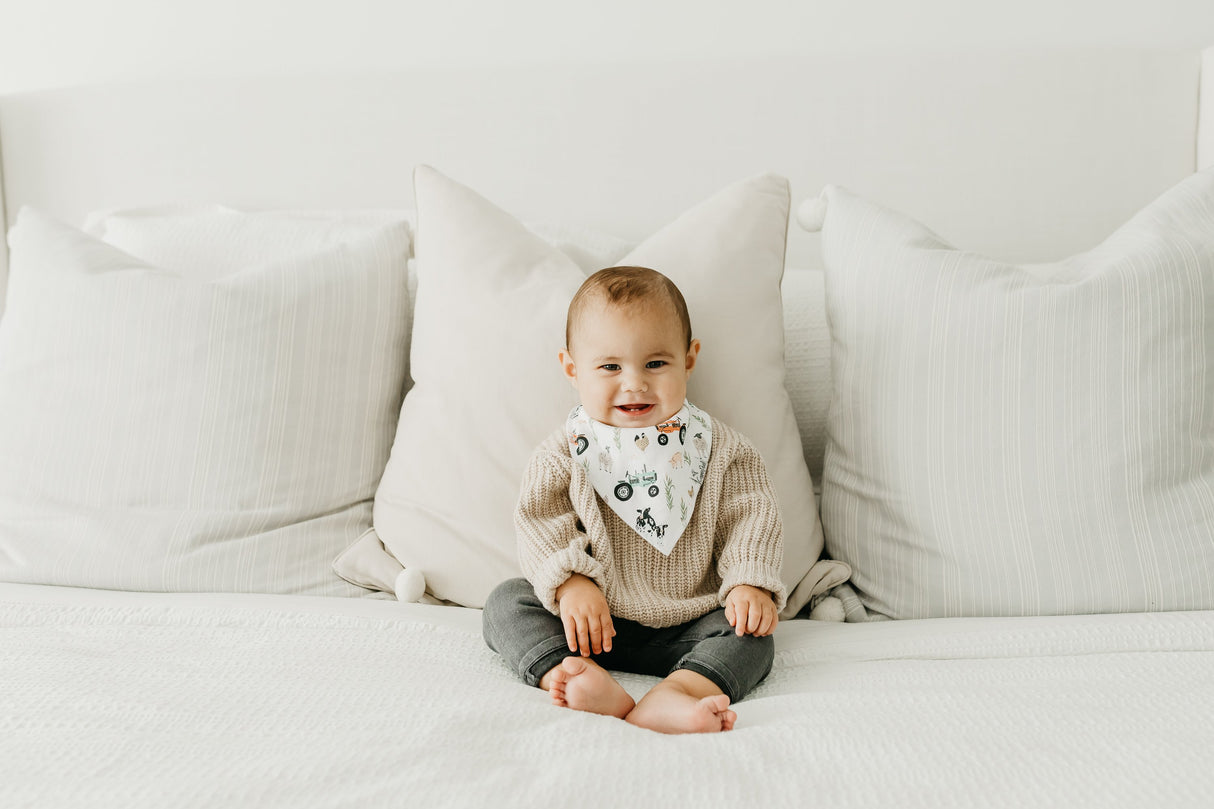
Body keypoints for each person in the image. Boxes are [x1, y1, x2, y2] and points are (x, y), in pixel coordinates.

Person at [482, 265, 786, 734]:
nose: (634, 383)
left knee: (753, 636)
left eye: (655, 363)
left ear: (688, 360)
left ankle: (679, 691)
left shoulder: (723, 450)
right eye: (609, 367)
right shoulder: (563, 454)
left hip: (689, 623)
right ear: (572, 369)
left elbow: (752, 517)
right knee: (507, 603)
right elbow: (542, 523)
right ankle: (575, 676)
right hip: (591, 624)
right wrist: (569, 584)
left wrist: (749, 583)